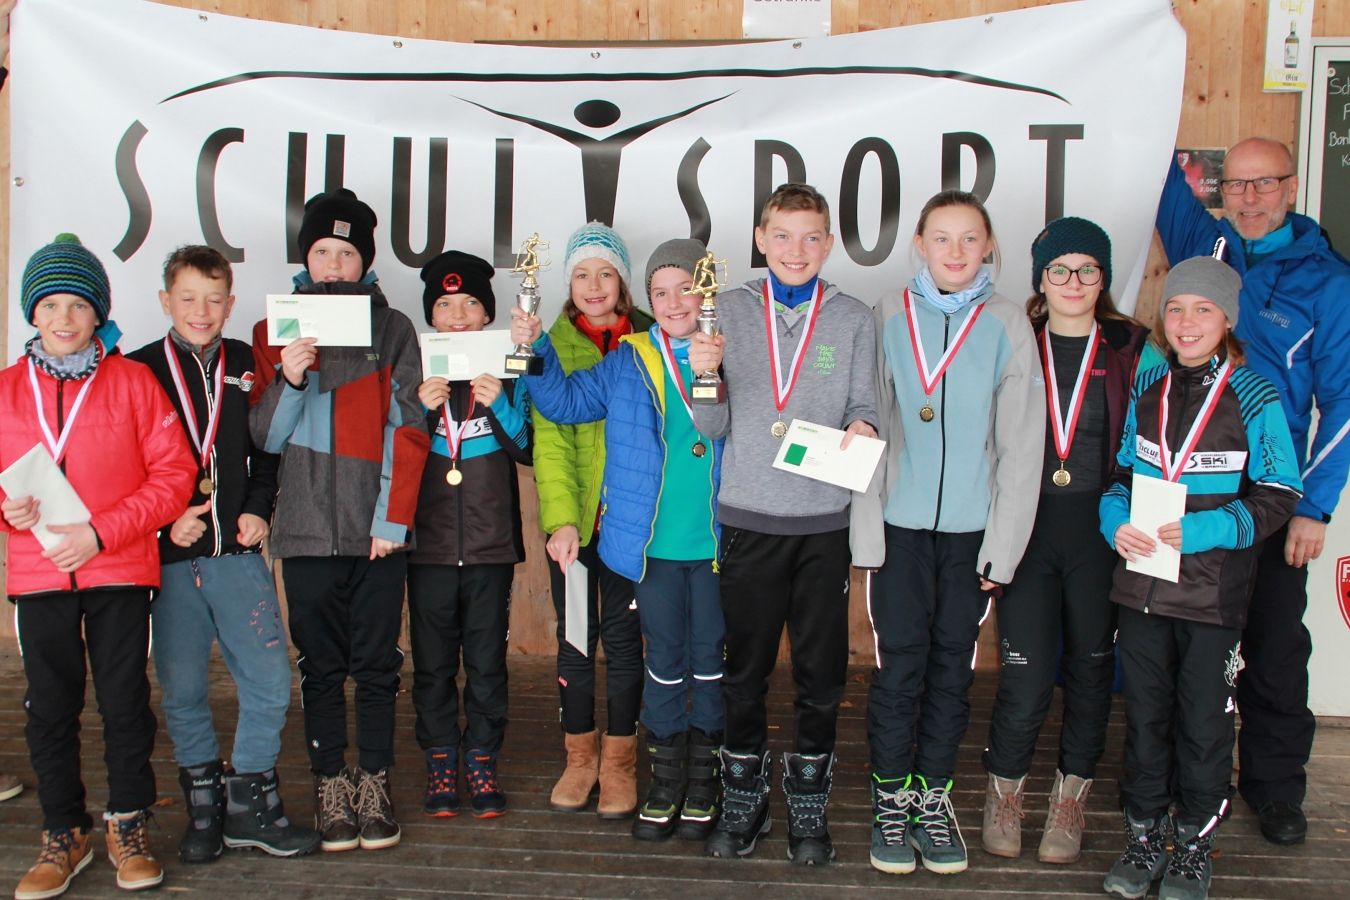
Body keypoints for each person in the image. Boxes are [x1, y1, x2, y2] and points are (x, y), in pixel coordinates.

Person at [1154, 136, 1350, 845]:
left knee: (1273, 648)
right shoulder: (1203, 243)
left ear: (1292, 188)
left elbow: (1343, 404)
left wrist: (1314, 506)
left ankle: (1275, 788)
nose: (1249, 197)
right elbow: (1152, 164)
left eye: (1265, 183)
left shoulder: (1330, 282)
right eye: (1235, 184)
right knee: (1179, 645)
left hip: (1271, 498)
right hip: (1189, 493)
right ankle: (1169, 779)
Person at [853, 190, 1043, 876]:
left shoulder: (1007, 324)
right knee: (898, 670)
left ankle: (932, 801)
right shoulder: (887, 314)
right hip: (900, 530)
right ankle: (890, 802)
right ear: (920, 246)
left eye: (969, 239)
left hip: (971, 535)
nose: (956, 251)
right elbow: (867, 422)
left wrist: (1004, 547)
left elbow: (1021, 446)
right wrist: (867, 534)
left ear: (988, 246)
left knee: (950, 673)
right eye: (942, 238)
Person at [1099, 256, 1301, 900]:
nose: (1187, 322)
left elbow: (1280, 492)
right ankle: (1143, 836)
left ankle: (1193, 847)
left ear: (1228, 320)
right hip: (1142, 589)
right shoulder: (1149, 388)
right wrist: (1114, 522)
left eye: (1203, 310)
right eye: (1177, 308)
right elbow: (1122, 477)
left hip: (1212, 597)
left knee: (1205, 724)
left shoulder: (1255, 395)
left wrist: (1210, 528)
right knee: (1145, 717)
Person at [689, 183, 878, 865]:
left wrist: (864, 425)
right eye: (782, 235)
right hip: (750, 521)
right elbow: (710, 426)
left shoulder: (852, 318)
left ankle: (808, 803)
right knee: (744, 672)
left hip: (823, 524)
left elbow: (865, 404)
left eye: (810, 237)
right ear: (761, 240)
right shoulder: (726, 312)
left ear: (828, 244)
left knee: (821, 675)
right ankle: (745, 796)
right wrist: (705, 374)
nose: (796, 250)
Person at [2, 235, 196, 898]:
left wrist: (100, 532)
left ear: (98, 315)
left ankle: (127, 823)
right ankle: (64, 831)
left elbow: (174, 476)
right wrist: (8, 511)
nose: (64, 318)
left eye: (79, 305)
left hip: (118, 568)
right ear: (32, 313)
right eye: (50, 305)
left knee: (124, 702)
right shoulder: (6, 390)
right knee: (49, 706)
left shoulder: (133, 382)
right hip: (40, 573)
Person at [512, 238, 725, 843]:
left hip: (717, 542)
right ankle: (662, 778)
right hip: (644, 543)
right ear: (648, 298)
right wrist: (536, 349)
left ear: (707, 294)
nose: (674, 302)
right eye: (661, 292)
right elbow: (564, 403)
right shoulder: (631, 356)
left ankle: (705, 779)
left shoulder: (733, 351)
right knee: (659, 660)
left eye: (686, 290)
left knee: (709, 662)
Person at [249, 188, 430, 852]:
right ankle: (331, 784)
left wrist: (390, 520)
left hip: (375, 534)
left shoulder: (394, 329)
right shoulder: (272, 331)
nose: (333, 264)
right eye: (322, 251)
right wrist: (291, 380)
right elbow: (266, 438)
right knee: (320, 667)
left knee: (377, 665)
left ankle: (374, 783)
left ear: (365, 262)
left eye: (346, 254)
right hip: (303, 532)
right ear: (306, 257)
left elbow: (409, 428)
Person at [127, 245, 319, 864]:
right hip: (170, 561)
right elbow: (124, 468)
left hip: (236, 554)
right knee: (182, 688)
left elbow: (267, 445)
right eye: (188, 298)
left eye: (214, 299)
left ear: (231, 303)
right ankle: (204, 806)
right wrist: (164, 524)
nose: (201, 310)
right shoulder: (137, 370)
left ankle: (250, 805)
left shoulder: (245, 361)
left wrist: (260, 507)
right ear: (166, 301)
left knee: (268, 682)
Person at [980, 218, 1150, 864]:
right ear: (1040, 279)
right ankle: (1004, 793)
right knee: (1023, 679)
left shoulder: (1132, 347)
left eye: (1087, 270)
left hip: (1101, 533)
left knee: (1090, 671)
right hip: (1027, 529)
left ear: (1104, 279)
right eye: (1059, 269)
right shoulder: (1014, 337)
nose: (1073, 282)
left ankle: (1069, 800)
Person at [408, 251, 531, 820]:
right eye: (444, 305)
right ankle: (440, 758)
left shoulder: (509, 368)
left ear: (487, 315)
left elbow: (527, 449)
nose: (457, 316)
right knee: (432, 665)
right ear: (431, 315)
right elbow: (393, 456)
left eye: (470, 304)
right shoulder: (415, 372)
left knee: (486, 664)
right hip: (426, 549)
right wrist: (419, 414)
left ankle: (481, 757)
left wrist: (500, 403)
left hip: (489, 548)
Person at [536, 222, 652, 820]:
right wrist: (560, 521)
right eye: (581, 274)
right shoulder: (549, 346)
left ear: (623, 282)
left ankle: (620, 763)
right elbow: (551, 444)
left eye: (606, 272)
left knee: (627, 644)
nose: (594, 285)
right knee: (578, 639)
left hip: (633, 528)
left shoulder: (652, 339)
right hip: (576, 532)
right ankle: (579, 758)